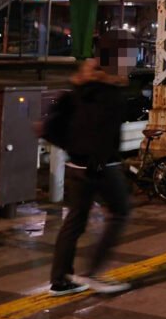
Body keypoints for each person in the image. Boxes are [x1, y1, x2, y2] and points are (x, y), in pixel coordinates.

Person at [42, 58, 132, 296]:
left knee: (75, 220)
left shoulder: (75, 93)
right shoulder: (111, 95)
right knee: (120, 212)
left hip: (76, 165)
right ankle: (91, 273)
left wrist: (74, 149)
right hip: (103, 166)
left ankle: (60, 279)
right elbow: (107, 134)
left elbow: (50, 129)